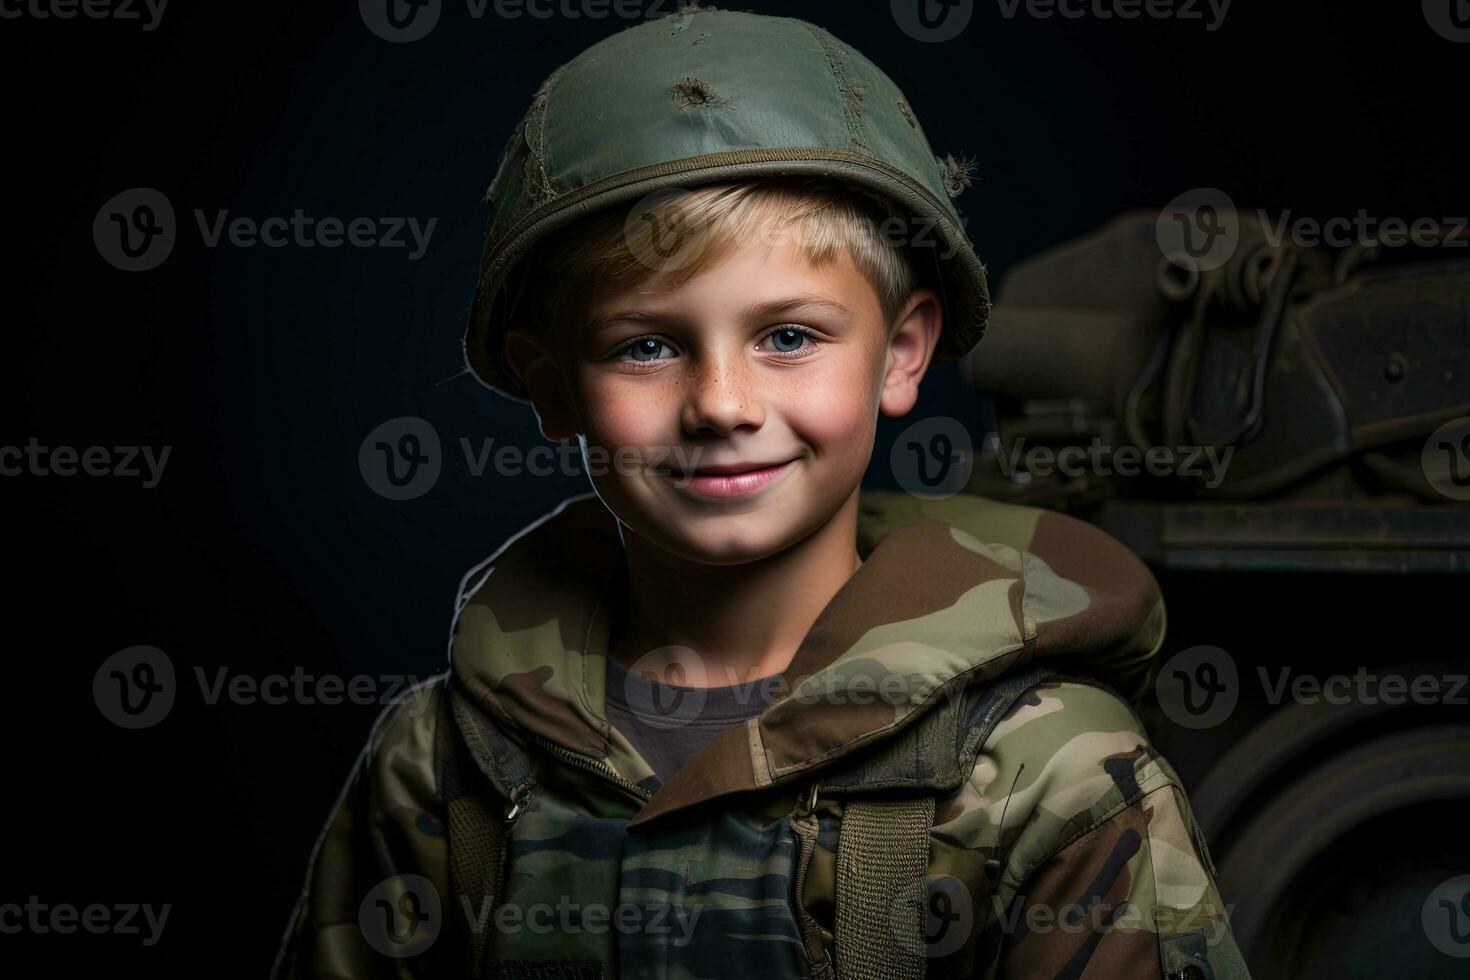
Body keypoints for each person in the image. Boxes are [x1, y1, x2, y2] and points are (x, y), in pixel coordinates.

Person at [273, 7, 1250, 978]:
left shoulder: (1052, 776)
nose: (722, 404)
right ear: (552, 384)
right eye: (645, 345)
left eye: (788, 335)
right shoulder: (442, 772)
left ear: (902, 352)